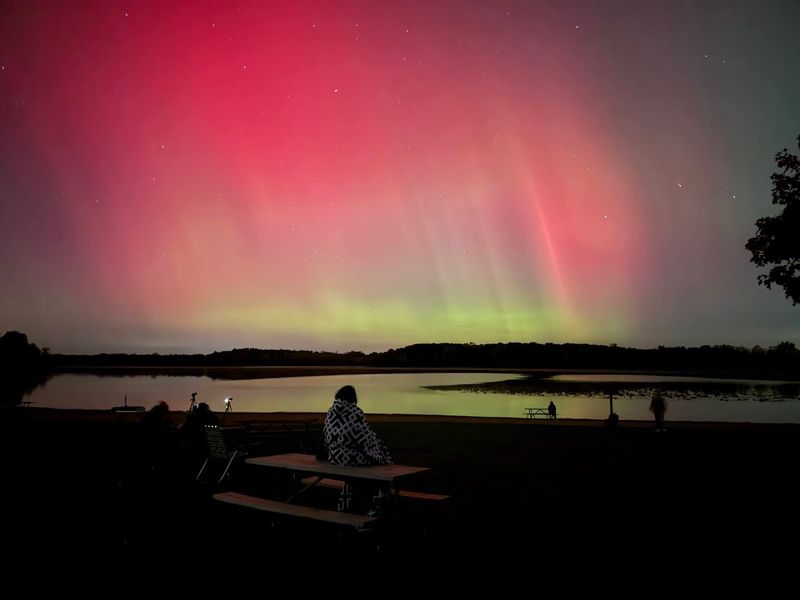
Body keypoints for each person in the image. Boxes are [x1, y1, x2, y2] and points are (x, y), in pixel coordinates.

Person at [323, 385, 392, 466]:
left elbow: (326, 437)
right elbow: (365, 439)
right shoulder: (355, 412)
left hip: (334, 458)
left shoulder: (331, 412)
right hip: (355, 459)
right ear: (353, 398)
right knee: (379, 446)